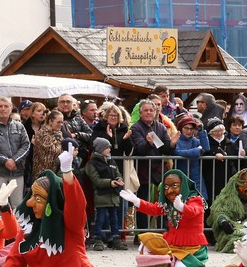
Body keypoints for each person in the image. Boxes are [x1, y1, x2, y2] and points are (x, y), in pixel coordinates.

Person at [122, 169, 208, 267]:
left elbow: (194, 211)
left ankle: (197, 263)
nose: (169, 191)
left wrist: (182, 207)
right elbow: (154, 209)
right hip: (172, 243)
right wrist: (137, 201)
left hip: (190, 247)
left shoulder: (196, 199)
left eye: (174, 186)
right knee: (146, 243)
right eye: (166, 187)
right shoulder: (169, 203)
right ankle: (168, 264)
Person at [129, 100, 172, 232]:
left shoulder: (160, 127)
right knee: (143, 201)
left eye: (151, 110)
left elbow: (165, 149)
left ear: (155, 112)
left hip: (159, 169)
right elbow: (140, 149)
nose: (149, 113)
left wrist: (172, 144)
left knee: (165, 199)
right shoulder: (135, 128)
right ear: (141, 113)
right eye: (146, 110)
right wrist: (148, 143)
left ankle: (163, 229)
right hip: (143, 170)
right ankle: (142, 232)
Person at [206, 168, 247, 252]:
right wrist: (223, 221)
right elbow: (219, 212)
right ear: (237, 185)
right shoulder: (227, 199)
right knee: (237, 241)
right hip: (235, 230)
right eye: (244, 183)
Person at [0, 96, 30, 203]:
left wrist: (14, 160)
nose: (3, 109)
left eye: (6, 106)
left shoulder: (19, 126)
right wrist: (6, 161)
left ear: (11, 108)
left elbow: (26, 145)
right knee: (0, 205)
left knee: (17, 205)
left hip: (17, 172)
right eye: (0, 106)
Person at [85, 137, 126, 251]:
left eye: (109, 147)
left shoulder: (111, 161)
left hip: (113, 195)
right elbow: (96, 180)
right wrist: (109, 183)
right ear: (99, 149)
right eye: (106, 147)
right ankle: (97, 239)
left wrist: (119, 179)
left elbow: (117, 172)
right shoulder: (92, 163)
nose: (109, 150)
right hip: (101, 195)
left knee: (114, 219)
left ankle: (116, 239)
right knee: (101, 218)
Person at [172, 113, 210, 199]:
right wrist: (197, 151)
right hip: (181, 176)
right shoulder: (177, 140)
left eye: (191, 129)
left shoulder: (195, 141)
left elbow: (206, 148)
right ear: (181, 129)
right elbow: (178, 152)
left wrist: (201, 131)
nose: (189, 131)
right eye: (186, 128)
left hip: (196, 177)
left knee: (198, 202)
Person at [31, 110, 64, 178]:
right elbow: (55, 151)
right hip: (43, 175)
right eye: (58, 122)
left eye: (62, 122)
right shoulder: (43, 134)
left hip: (53, 174)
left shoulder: (57, 133)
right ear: (50, 121)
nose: (61, 125)